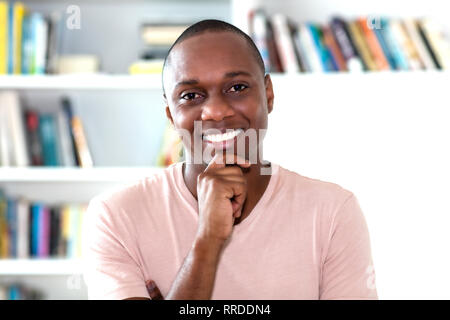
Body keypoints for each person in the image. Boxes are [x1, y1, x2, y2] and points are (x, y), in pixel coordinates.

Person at [82, 19, 378, 300]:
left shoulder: (333, 212)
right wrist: (208, 241)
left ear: (268, 94)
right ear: (171, 114)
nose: (216, 111)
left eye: (236, 88)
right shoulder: (115, 216)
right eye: (191, 95)